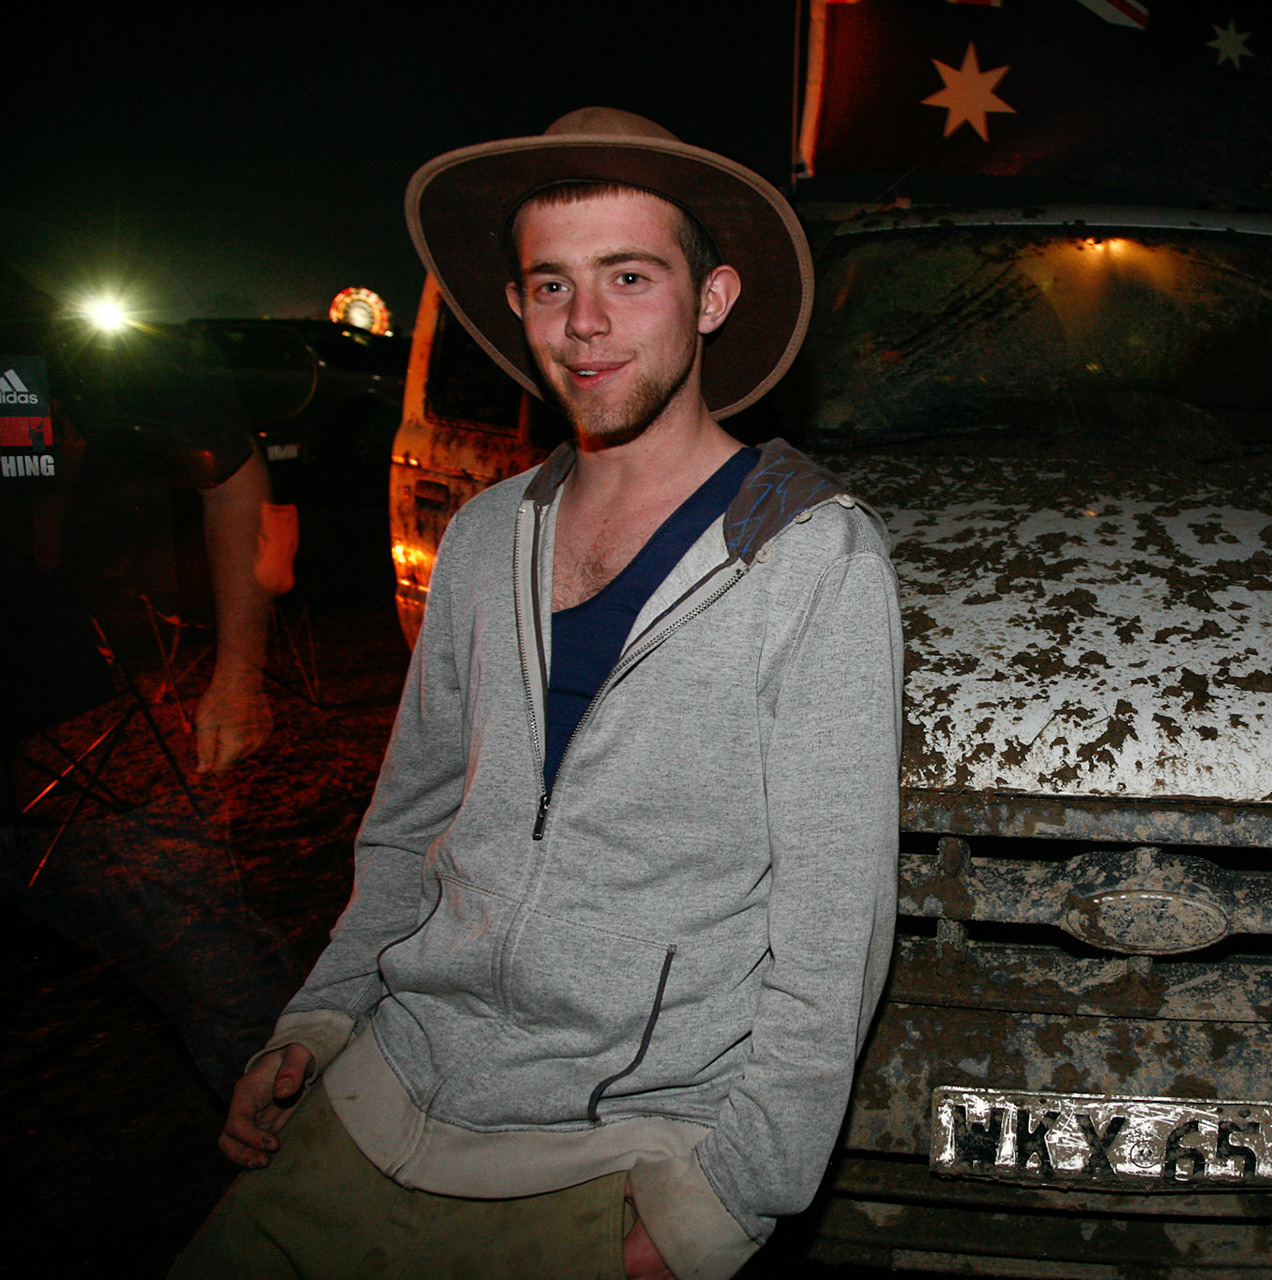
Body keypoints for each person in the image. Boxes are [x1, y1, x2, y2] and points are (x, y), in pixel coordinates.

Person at [174, 109, 903, 1279]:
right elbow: (410, 826)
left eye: (629, 275)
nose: (588, 325)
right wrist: (316, 1018)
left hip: (609, 1152)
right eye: (551, 284)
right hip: (376, 1092)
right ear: (517, 308)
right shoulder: (478, 537)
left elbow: (833, 933)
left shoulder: (812, 558)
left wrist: (725, 1202)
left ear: (711, 299)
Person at [3, 265, 291, 1092]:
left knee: (225, 984)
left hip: (90, 732)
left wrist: (240, 672)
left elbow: (234, 477)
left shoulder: (48, 331)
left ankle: (313, 1167)